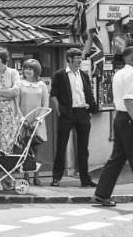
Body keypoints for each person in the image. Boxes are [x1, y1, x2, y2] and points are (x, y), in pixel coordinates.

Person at [50, 47, 98, 187]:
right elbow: (53, 95)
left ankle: (85, 179)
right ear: (69, 59)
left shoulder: (83, 75)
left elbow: (87, 92)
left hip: (83, 112)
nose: (79, 61)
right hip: (67, 114)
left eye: (80, 58)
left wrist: (91, 106)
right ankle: (56, 178)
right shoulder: (60, 75)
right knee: (61, 146)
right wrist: (60, 112)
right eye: (77, 59)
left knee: (83, 148)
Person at [92, 46, 133, 206]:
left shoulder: (119, 73)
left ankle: (102, 194)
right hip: (129, 118)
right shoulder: (131, 74)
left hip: (120, 118)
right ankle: (102, 195)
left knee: (116, 159)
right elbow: (129, 100)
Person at [18, 58, 49, 186]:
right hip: (24, 120)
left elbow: (45, 104)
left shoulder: (42, 85)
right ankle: (26, 176)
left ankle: (37, 176)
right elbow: (16, 104)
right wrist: (22, 119)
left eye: (30, 69)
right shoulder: (19, 84)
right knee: (24, 149)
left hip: (37, 121)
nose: (27, 71)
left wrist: (38, 120)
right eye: (25, 68)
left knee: (36, 149)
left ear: (36, 71)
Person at [0, 48, 21, 153]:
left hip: (8, 113)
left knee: (6, 140)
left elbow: (15, 91)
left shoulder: (12, 73)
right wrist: (7, 94)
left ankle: (4, 167)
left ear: (2, 59)